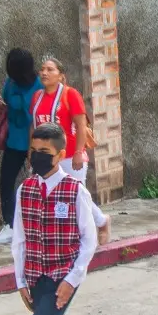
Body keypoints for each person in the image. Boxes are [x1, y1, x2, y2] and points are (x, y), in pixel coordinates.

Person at [12, 123, 99, 315]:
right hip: (35, 275)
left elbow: (89, 240)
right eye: (33, 151)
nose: (37, 156)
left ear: (60, 155)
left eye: (45, 152)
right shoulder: (26, 190)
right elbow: (19, 238)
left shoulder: (75, 190)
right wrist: (20, 280)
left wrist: (72, 279)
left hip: (63, 275)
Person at [31, 57, 111, 242]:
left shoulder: (70, 94)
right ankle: (92, 223)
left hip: (69, 154)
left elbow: (81, 125)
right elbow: (33, 126)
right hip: (46, 156)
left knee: (76, 195)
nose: (44, 73)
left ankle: (96, 227)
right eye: (42, 69)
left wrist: (78, 152)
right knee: (52, 194)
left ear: (61, 76)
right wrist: (31, 151)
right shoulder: (37, 97)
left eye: (50, 69)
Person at [0, 48, 40, 245]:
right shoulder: (10, 83)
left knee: (38, 184)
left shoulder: (38, 86)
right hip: (14, 140)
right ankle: (9, 225)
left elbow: (36, 117)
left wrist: (33, 148)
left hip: (35, 142)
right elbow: (8, 104)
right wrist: (0, 105)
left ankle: (37, 225)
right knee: (6, 182)